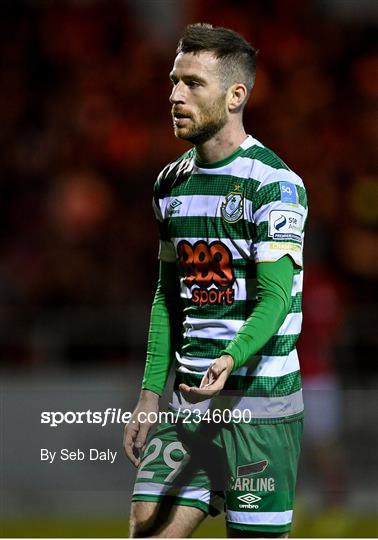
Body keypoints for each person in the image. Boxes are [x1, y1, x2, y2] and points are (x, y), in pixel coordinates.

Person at [124, 23, 307, 538]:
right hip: (188, 407)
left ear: (235, 95)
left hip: (261, 408)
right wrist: (148, 394)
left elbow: (275, 299)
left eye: (193, 84)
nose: (175, 95)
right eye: (174, 81)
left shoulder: (275, 184)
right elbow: (168, 297)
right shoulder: (169, 185)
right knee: (146, 529)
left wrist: (231, 357)